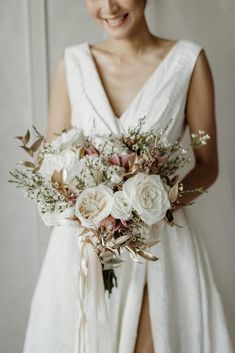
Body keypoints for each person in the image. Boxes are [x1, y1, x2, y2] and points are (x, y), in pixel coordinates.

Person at [22, 1, 233, 353]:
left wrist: (146, 206)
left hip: (159, 244)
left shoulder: (188, 62)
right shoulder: (72, 64)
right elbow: (51, 162)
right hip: (83, 245)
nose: (108, 7)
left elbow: (207, 164)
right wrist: (90, 205)